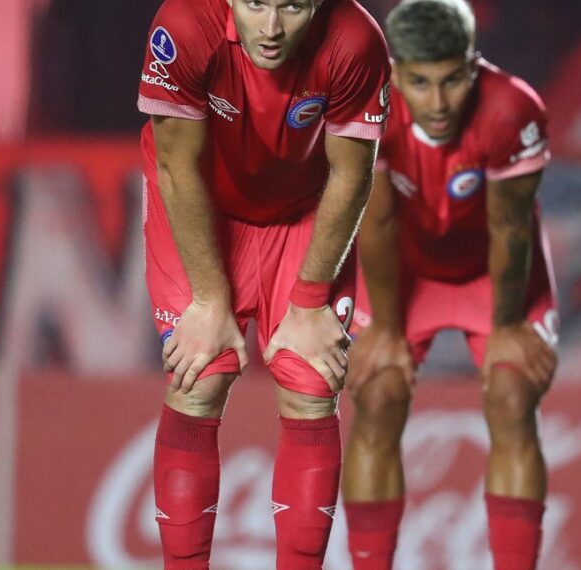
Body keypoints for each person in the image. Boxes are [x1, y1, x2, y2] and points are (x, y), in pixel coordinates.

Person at [136, 0, 390, 567]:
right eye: (256, 4)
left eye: (293, 7)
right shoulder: (182, 26)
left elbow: (352, 175)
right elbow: (179, 166)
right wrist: (208, 298)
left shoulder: (356, 41)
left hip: (303, 209)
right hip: (202, 205)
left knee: (311, 386)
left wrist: (309, 302)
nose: (271, 29)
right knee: (198, 376)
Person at [340, 0, 559, 568]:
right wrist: (385, 330)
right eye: (419, 82)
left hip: (494, 271)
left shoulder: (513, 109)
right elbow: (378, 221)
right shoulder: (365, 106)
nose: (437, 103)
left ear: (473, 63)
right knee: (379, 395)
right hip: (403, 272)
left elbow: (510, 227)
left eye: (452, 80)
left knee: (512, 397)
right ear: (392, 74)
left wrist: (509, 326)